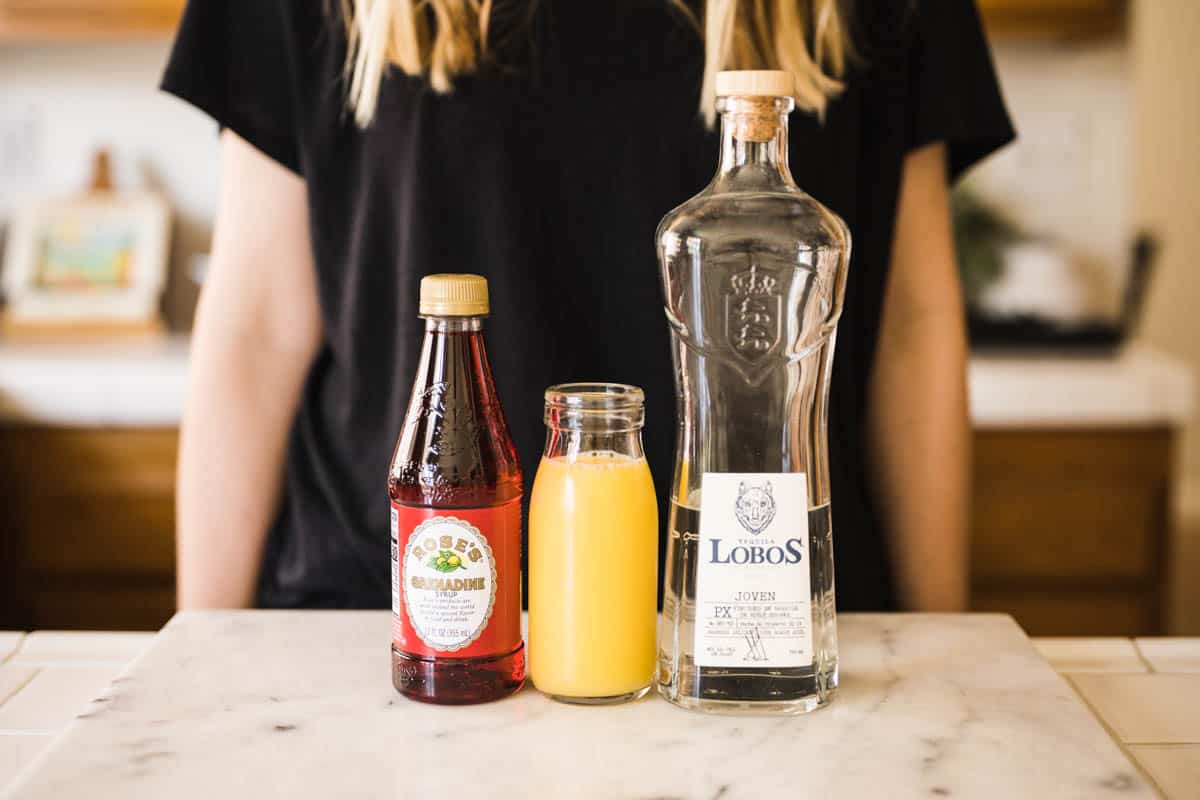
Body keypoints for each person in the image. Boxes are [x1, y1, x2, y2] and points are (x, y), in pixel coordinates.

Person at [163, 0, 1014, 613]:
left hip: (767, 628)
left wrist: (943, 645)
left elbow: (911, 327)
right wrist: (198, 656)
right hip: (402, 618)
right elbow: (258, 325)